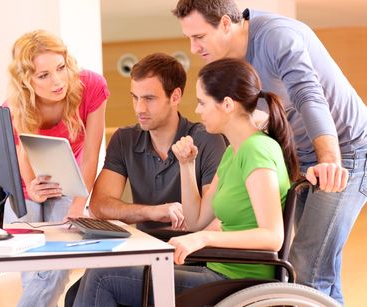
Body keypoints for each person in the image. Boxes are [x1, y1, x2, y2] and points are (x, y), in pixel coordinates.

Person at [173, 0, 367, 304]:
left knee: (307, 267)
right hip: (301, 156)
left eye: (199, 37)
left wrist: (329, 160)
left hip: (346, 150)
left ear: (225, 23)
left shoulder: (277, 37)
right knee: (317, 268)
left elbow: (308, 95)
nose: (194, 48)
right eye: (189, 38)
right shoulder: (231, 62)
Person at [73, 57, 299, 307]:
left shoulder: (256, 150)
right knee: (98, 276)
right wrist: (186, 165)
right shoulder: (232, 152)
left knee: (103, 277)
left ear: (226, 105)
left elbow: (272, 237)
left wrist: (203, 239)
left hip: (238, 280)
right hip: (217, 270)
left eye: (203, 102)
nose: (198, 110)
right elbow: (196, 221)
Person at [3, 29, 109, 307]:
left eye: (61, 67)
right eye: (44, 75)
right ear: (26, 80)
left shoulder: (91, 86)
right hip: (30, 183)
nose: (58, 81)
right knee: (28, 242)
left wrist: (79, 204)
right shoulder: (15, 106)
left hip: (69, 180)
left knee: (59, 256)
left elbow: (90, 156)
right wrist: (32, 190)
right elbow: (22, 157)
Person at [87, 52, 226, 231]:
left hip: (193, 253)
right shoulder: (124, 139)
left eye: (149, 99)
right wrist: (151, 212)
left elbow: (216, 215)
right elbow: (98, 206)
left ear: (175, 96)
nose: (139, 108)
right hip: (146, 252)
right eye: (135, 97)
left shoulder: (207, 138)